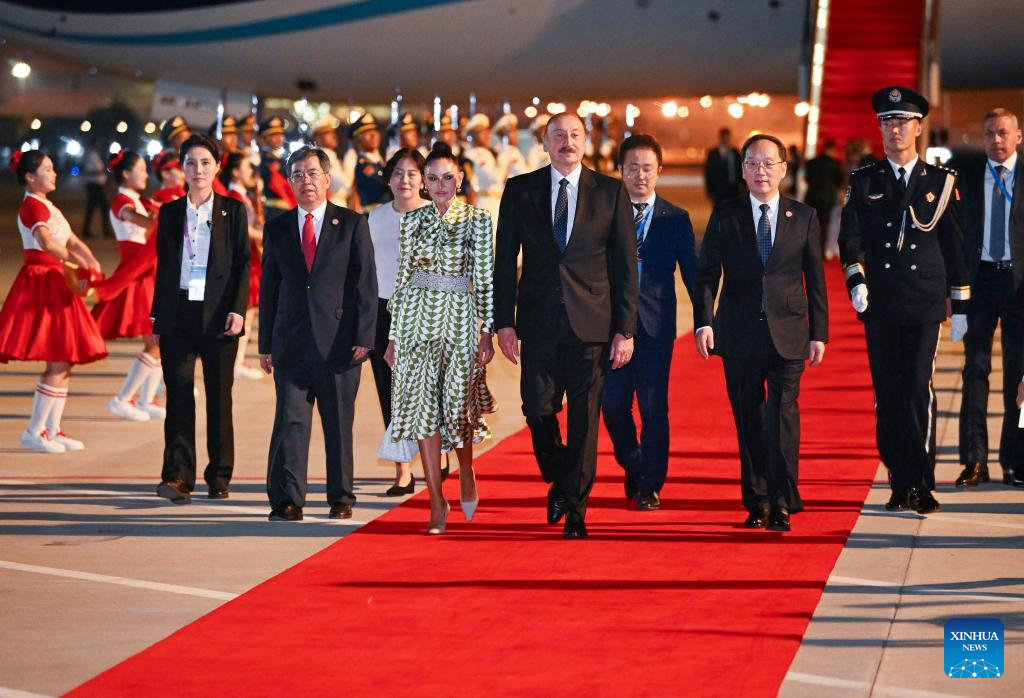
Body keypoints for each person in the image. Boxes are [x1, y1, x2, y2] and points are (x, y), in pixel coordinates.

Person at [494, 111, 638, 539]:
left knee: (584, 420)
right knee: (537, 408)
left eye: (575, 134)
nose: (567, 142)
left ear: (585, 141)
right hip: (537, 322)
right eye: (558, 135)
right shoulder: (520, 190)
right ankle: (561, 474)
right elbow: (505, 262)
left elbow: (625, 266)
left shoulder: (610, 191)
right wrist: (504, 322)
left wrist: (625, 328)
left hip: (592, 324)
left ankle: (576, 508)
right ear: (544, 142)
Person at [839, 86, 969, 514]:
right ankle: (899, 478)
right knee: (888, 394)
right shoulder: (865, 180)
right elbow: (850, 237)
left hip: (924, 302)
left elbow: (955, 246)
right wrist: (856, 279)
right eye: (887, 122)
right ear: (880, 129)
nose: (894, 129)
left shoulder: (941, 182)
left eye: (902, 121)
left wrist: (960, 304)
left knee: (917, 388)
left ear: (918, 128)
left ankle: (921, 483)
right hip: (880, 303)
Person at [694, 134, 828, 532]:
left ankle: (782, 501)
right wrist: (704, 321)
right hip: (738, 333)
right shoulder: (726, 214)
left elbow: (815, 279)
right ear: (743, 169)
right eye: (752, 163)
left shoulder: (803, 216)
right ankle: (757, 501)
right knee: (748, 419)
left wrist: (819, 332)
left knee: (781, 418)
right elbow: (707, 273)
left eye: (769, 163)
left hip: (789, 332)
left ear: (784, 169)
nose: (761, 171)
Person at [259, 147, 377, 522]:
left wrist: (365, 336)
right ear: (289, 182)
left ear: (327, 179)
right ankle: (288, 499)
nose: (305, 181)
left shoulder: (352, 224)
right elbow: (268, 290)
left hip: (340, 343)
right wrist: (265, 344)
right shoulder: (277, 228)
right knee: (290, 423)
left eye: (312, 173)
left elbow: (366, 285)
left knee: (338, 424)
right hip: (290, 343)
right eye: (297, 175)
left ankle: (340, 497)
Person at [385, 143, 494, 534]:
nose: (441, 184)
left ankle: (466, 469)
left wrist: (487, 331)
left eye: (448, 177)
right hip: (415, 320)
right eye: (432, 178)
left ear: (460, 179)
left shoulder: (478, 220)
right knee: (421, 410)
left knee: (458, 407)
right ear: (425, 184)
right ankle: (435, 500)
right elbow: (401, 280)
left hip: (459, 319)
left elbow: (485, 279)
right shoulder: (412, 220)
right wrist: (393, 337)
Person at [151, 134, 250, 503]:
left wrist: (238, 310)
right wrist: (158, 316)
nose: (198, 170)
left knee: (218, 399)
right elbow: (163, 267)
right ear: (182, 168)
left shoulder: (232, 211)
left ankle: (219, 475)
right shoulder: (170, 213)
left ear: (218, 167)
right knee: (178, 397)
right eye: (191, 163)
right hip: (178, 312)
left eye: (206, 162)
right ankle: (177, 476)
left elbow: (243, 264)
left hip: (219, 314)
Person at [601, 134, 696, 511]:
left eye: (647, 168)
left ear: (659, 171)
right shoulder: (605, 215)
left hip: (656, 328)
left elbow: (693, 274)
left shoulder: (676, 219)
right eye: (632, 168)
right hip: (612, 328)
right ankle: (634, 462)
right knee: (612, 405)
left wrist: (707, 319)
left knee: (654, 408)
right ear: (620, 170)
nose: (640, 175)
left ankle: (650, 485)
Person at [0, 150, 106, 452]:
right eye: (47, 169)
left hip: (58, 281)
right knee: (59, 358)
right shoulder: (31, 206)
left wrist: (92, 263)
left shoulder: (49, 205)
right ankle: (35, 431)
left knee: (65, 359)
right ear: (30, 177)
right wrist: (76, 262)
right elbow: (47, 243)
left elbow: (73, 240)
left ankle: (51, 428)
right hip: (42, 282)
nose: (54, 173)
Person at [956, 108, 1024, 488]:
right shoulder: (965, 176)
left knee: (1019, 377)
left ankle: (1016, 460)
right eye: (989, 134)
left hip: (1019, 286)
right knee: (974, 370)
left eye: (1003, 133)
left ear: (1018, 136)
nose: (996, 140)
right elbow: (954, 235)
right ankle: (974, 461)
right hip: (979, 282)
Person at [368, 148, 429, 496]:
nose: (404, 180)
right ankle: (402, 469)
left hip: (425, 312)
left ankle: (435, 453)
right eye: (398, 173)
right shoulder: (375, 218)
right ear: (388, 179)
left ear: (423, 180)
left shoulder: (436, 215)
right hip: (383, 311)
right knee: (389, 390)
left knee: (425, 391)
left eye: (412, 173)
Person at [92, 150, 164, 421]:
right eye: (141, 170)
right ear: (125, 173)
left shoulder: (139, 200)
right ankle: (123, 398)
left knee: (159, 340)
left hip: (148, 271)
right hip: (137, 273)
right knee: (156, 340)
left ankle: (145, 400)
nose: (146, 174)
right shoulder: (121, 202)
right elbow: (145, 222)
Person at [219, 151, 265, 381]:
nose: (250, 172)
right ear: (235, 172)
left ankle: (238, 360)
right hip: (242, 257)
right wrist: (263, 235)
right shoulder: (233, 197)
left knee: (249, 310)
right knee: (242, 310)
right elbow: (241, 228)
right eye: (246, 168)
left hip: (251, 256)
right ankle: (234, 362)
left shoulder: (244, 195)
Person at [343, 112, 387, 213]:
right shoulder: (359, 162)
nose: (373, 135)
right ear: (357, 138)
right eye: (367, 132)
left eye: (375, 131)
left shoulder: (378, 161)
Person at [804, 139, 843, 255]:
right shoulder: (834, 164)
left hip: (811, 197)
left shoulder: (811, 162)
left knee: (809, 225)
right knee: (823, 226)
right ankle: (819, 253)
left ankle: (807, 251)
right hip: (826, 199)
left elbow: (807, 179)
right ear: (832, 149)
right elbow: (838, 181)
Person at [463, 113, 503, 224]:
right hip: (485, 202)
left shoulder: (488, 153)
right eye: (482, 133)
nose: (487, 135)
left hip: (494, 201)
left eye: (487, 132)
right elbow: (497, 178)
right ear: (474, 135)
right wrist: (505, 168)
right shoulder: (475, 154)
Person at [258, 116, 297, 215]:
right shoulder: (260, 159)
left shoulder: (283, 159)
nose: (279, 138)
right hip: (271, 209)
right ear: (264, 138)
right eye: (273, 135)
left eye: (280, 134)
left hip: (288, 207)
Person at [311, 116, 351, 208]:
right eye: (328, 133)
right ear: (318, 139)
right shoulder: (324, 155)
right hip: (333, 202)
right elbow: (341, 183)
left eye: (333, 132)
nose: (334, 136)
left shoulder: (330, 155)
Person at [81, 140, 113, 238]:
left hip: (96, 185)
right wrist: (101, 172)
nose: (100, 146)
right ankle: (105, 230)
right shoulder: (91, 155)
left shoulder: (95, 155)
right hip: (94, 185)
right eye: (98, 144)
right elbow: (88, 170)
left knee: (92, 208)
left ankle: (87, 230)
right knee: (103, 207)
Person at [704, 127, 743, 205]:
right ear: (721, 137)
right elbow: (708, 173)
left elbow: (740, 169)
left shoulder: (734, 152)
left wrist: (742, 186)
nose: (726, 139)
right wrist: (710, 190)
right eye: (724, 137)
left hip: (733, 189)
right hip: (718, 190)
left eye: (727, 137)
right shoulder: (713, 153)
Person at [494, 113, 528, 181]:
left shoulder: (513, 150)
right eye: (512, 132)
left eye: (515, 131)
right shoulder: (501, 152)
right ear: (503, 135)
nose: (516, 135)